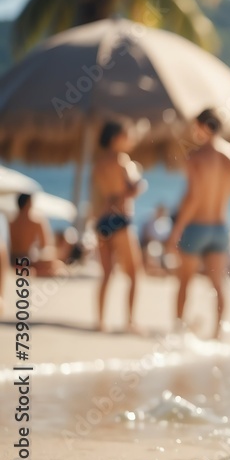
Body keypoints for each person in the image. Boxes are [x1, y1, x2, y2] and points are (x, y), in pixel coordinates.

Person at [165, 108, 230, 339]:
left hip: (197, 226)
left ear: (204, 127)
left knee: (185, 282)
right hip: (221, 228)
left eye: (196, 126)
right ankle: (217, 333)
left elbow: (193, 198)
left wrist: (176, 231)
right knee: (218, 283)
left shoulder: (196, 157)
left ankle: (178, 330)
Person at [91, 121, 146, 332]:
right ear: (116, 138)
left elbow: (100, 195)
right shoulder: (122, 160)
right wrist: (140, 184)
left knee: (106, 273)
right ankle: (130, 321)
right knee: (134, 273)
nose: (131, 139)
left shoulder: (98, 163)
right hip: (120, 219)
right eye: (127, 135)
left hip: (103, 219)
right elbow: (133, 187)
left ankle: (100, 321)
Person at [8, 193, 68, 278]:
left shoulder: (10, 222)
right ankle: (34, 271)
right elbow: (44, 245)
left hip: (12, 260)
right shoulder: (36, 222)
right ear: (29, 203)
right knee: (57, 264)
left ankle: (27, 270)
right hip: (28, 260)